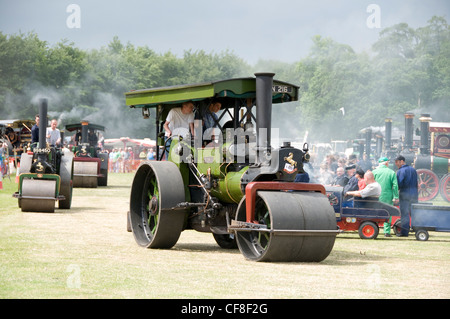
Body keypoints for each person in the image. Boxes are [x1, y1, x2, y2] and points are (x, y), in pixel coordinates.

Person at [373, 156, 399, 237]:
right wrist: (396, 196)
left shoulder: (374, 172)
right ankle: (386, 232)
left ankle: (373, 228)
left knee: (375, 212)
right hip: (388, 196)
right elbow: (395, 186)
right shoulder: (391, 172)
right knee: (388, 213)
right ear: (387, 163)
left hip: (376, 196)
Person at [395, 155, 418, 237]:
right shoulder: (413, 170)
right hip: (414, 194)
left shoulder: (401, 171)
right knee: (414, 213)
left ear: (401, 161)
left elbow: (399, 183)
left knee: (405, 214)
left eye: (397, 162)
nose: (396, 164)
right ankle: (418, 230)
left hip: (405, 194)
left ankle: (404, 232)